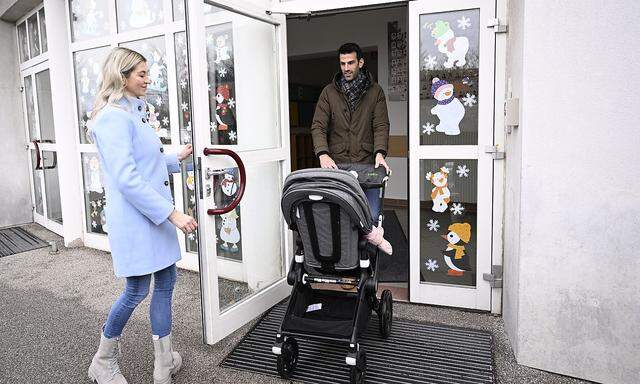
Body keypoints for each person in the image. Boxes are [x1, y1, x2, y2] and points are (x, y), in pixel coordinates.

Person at [86, 47, 197, 384]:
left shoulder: (135, 113)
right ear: (123, 77)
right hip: (139, 220)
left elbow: (145, 162)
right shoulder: (111, 119)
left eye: (148, 73)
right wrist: (172, 214)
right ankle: (102, 362)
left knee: (166, 283)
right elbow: (126, 178)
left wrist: (177, 158)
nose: (148, 80)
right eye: (141, 74)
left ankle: (163, 366)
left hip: (153, 217)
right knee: (136, 290)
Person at [310, 42, 392, 254]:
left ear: (361, 63)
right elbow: (318, 126)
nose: (346, 67)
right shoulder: (329, 92)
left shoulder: (375, 92)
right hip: (338, 166)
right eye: (342, 63)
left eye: (351, 63)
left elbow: (381, 125)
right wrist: (323, 153)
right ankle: (347, 260)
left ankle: (367, 260)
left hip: (367, 164)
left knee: (371, 216)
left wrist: (380, 153)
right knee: (339, 216)